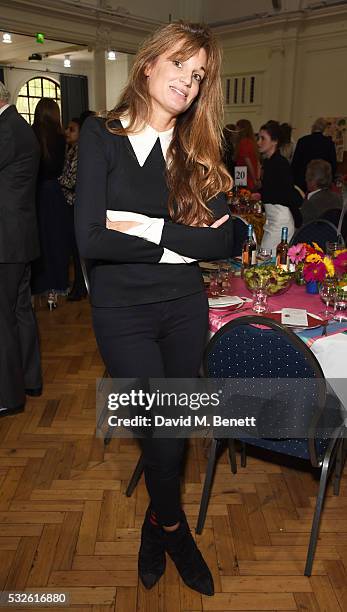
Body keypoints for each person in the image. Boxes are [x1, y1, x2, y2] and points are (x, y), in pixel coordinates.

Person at [75, 21, 233, 596]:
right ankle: (174, 529)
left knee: (173, 430)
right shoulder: (101, 136)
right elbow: (90, 240)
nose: (188, 84)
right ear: (147, 64)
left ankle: (154, 523)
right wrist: (185, 237)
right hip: (123, 314)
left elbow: (229, 240)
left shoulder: (194, 150)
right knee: (159, 433)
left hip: (185, 308)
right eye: (179, 66)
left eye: (199, 77)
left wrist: (146, 227)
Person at [0, 81, 42, 417]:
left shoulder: (6, 130)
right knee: (21, 312)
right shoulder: (21, 126)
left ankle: (9, 396)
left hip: (6, 239)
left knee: (5, 317)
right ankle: (30, 380)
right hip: (21, 236)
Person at [31, 98, 70, 309]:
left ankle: (37, 289)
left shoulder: (32, 133)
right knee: (56, 243)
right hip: (56, 193)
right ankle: (54, 292)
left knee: (40, 243)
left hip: (36, 194)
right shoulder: (61, 137)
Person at [258, 120, 302, 253]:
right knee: (265, 257)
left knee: (267, 257)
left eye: (263, 138)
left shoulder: (280, 164)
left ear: (274, 141)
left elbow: (287, 193)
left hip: (281, 220)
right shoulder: (269, 162)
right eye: (258, 138)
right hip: (272, 218)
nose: (258, 142)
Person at [59, 117, 86, 301]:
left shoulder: (81, 153)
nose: (67, 132)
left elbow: (71, 180)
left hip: (77, 206)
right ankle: (78, 286)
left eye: (72, 129)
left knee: (78, 251)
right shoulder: (71, 150)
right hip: (69, 205)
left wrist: (56, 181)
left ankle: (80, 287)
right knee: (73, 250)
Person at [291, 117, 337, 192]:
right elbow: (333, 165)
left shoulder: (302, 141)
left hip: (302, 182)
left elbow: (295, 164)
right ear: (324, 129)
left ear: (313, 127)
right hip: (321, 183)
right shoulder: (329, 143)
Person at [301, 159, 342, 225]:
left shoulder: (310, 203)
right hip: (334, 234)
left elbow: (301, 228)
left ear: (313, 181)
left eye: (307, 177)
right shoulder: (338, 198)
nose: (305, 179)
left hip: (313, 234)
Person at [234, 118, 259, 190]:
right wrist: (257, 178)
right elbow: (257, 162)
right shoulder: (252, 142)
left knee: (243, 197)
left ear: (241, 130)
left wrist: (254, 179)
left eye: (236, 128)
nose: (235, 131)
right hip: (246, 175)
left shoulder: (243, 142)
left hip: (243, 175)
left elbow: (248, 162)